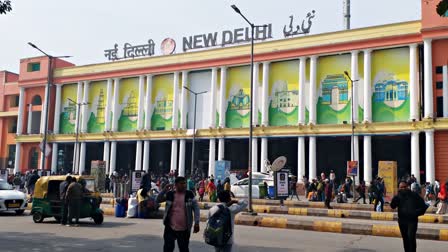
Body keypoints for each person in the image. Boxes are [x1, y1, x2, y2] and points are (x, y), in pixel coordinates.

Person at [156, 177, 200, 252]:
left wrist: (197, 222)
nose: (184, 185)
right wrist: (164, 190)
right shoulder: (170, 194)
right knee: (168, 249)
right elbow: (158, 200)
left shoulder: (189, 194)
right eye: (182, 183)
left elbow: (196, 208)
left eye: (185, 183)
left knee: (184, 249)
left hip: (184, 229)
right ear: (176, 185)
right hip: (170, 227)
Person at [390, 181, 428, 252]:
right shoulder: (398, 196)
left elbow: (423, 207)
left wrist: (415, 213)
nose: (403, 188)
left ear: (408, 187)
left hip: (412, 221)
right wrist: (395, 198)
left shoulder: (414, 195)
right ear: (398, 188)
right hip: (402, 221)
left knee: (411, 238)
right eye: (401, 187)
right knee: (405, 238)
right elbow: (393, 206)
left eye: (405, 187)